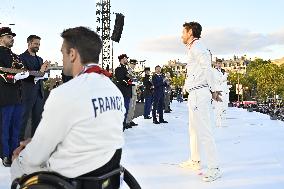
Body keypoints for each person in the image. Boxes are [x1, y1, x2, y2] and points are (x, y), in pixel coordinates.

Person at [11, 26, 124, 189]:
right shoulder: (113, 90)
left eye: (63, 53)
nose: (62, 59)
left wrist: (23, 153)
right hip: (107, 174)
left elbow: (35, 157)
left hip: (72, 178)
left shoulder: (65, 93)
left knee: (19, 162)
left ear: (72, 54)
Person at [179, 22, 222, 182]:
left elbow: (207, 68)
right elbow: (194, 72)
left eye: (183, 32)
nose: (181, 35)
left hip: (200, 93)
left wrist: (213, 90)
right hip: (194, 93)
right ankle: (195, 160)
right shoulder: (192, 48)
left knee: (204, 131)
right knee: (194, 130)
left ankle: (214, 167)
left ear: (190, 32)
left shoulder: (198, 47)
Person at [0, 27, 29, 167]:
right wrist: (13, 76)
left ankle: (14, 154)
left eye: (12, 37)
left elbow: (23, 69)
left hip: (17, 96)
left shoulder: (15, 56)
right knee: (4, 128)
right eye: (9, 36)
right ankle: (5, 155)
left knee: (16, 127)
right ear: (1, 39)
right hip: (4, 96)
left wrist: (33, 75)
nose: (12, 39)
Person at [19, 35, 49, 140]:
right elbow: (23, 76)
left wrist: (45, 71)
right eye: (36, 43)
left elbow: (44, 77)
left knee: (37, 120)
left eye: (39, 44)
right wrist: (40, 72)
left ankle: (34, 145)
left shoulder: (40, 59)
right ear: (29, 43)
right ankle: (18, 145)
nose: (38, 46)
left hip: (39, 94)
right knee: (23, 120)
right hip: (27, 93)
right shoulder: (21, 58)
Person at [114, 54, 133, 130]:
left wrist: (131, 78)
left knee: (127, 108)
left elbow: (131, 79)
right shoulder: (118, 69)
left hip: (128, 91)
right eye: (126, 58)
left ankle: (124, 123)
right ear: (122, 59)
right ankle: (120, 124)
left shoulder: (127, 69)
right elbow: (120, 79)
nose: (127, 60)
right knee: (122, 108)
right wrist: (128, 81)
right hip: (122, 91)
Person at [126, 60, 138, 127]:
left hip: (134, 91)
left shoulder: (133, 72)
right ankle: (127, 121)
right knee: (130, 107)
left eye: (135, 64)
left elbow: (135, 81)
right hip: (130, 91)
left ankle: (130, 120)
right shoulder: (128, 71)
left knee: (133, 107)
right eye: (132, 64)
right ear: (129, 64)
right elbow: (129, 81)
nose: (134, 65)